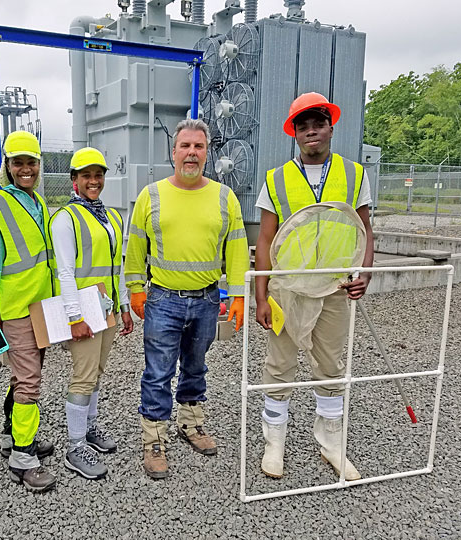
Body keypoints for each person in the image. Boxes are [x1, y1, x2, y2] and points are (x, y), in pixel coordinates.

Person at [254, 92, 374, 481]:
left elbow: (365, 230)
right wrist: (261, 294)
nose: (311, 131)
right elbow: (266, 240)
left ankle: (331, 442)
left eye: (318, 124)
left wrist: (364, 273)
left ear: (330, 127)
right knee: (280, 365)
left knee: (331, 366)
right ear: (294, 133)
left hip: (334, 288)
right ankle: (275, 442)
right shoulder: (276, 179)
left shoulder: (355, 175)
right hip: (288, 290)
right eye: (303, 126)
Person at [124, 118, 250, 479]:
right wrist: (134, 287)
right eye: (185, 146)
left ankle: (191, 425)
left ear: (207, 154)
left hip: (207, 300)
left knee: (196, 367)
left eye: (199, 147)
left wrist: (239, 294)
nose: (191, 153)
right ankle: (154, 441)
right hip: (163, 300)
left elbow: (238, 248)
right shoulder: (152, 195)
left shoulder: (224, 197)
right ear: (173, 152)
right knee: (159, 372)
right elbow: (136, 246)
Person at [0, 131, 57, 492]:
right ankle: (23, 457)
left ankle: (12, 435)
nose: (25, 169)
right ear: (7, 167)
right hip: (13, 310)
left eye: (31, 162)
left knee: (25, 376)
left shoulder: (37, 202)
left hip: (39, 305)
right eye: (18, 163)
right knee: (30, 382)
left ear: (39, 165)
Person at [50, 147, 134, 480]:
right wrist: (74, 317)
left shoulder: (111, 216)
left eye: (98, 175)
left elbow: (119, 266)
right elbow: (65, 272)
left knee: (97, 373)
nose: (93, 181)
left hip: (107, 309)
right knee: (83, 377)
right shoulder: (65, 219)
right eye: (86, 175)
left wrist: (124, 304)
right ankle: (74, 446)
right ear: (74, 180)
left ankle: (89, 428)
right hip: (84, 312)